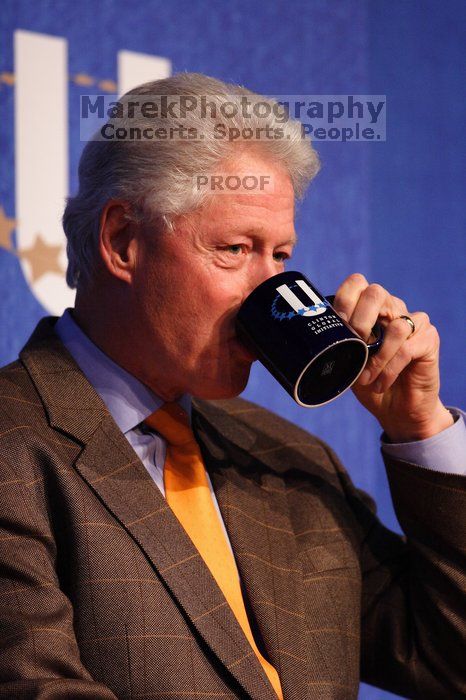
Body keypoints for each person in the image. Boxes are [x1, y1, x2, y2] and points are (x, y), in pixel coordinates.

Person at [0, 73, 464, 700]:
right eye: (235, 248)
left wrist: (421, 431)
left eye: (280, 257)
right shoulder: (13, 441)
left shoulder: (291, 459)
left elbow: (449, 660)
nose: (270, 294)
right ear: (121, 240)